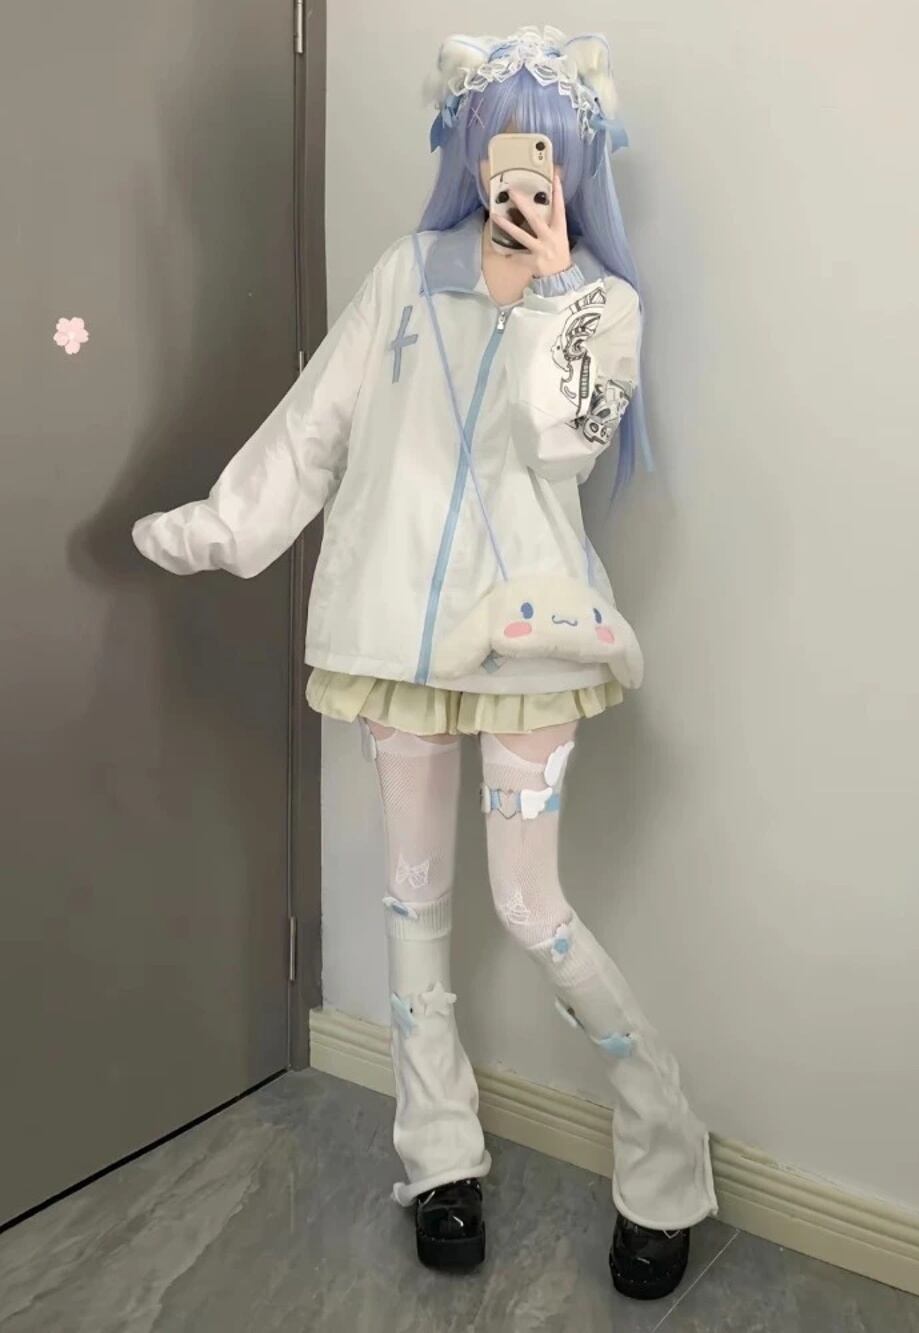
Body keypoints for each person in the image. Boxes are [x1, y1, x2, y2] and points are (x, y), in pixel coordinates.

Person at [132, 24, 718, 1300]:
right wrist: (223, 529)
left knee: (529, 908)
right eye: (504, 147)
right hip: (394, 641)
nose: (521, 172)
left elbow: (567, 446)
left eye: (545, 153)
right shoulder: (404, 276)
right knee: (411, 903)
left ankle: (666, 1155)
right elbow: (317, 423)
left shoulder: (601, 306)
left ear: (573, 164)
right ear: (467, 149)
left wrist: (549, 295)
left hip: (526, 647)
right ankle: (437, 1156)